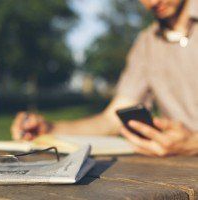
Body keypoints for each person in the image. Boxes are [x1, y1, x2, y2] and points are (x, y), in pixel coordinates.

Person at [11, 0, 198, 157]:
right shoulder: (147, 44)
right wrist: (50, 129)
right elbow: (112, 120)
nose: (153, 2)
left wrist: (193, 143)